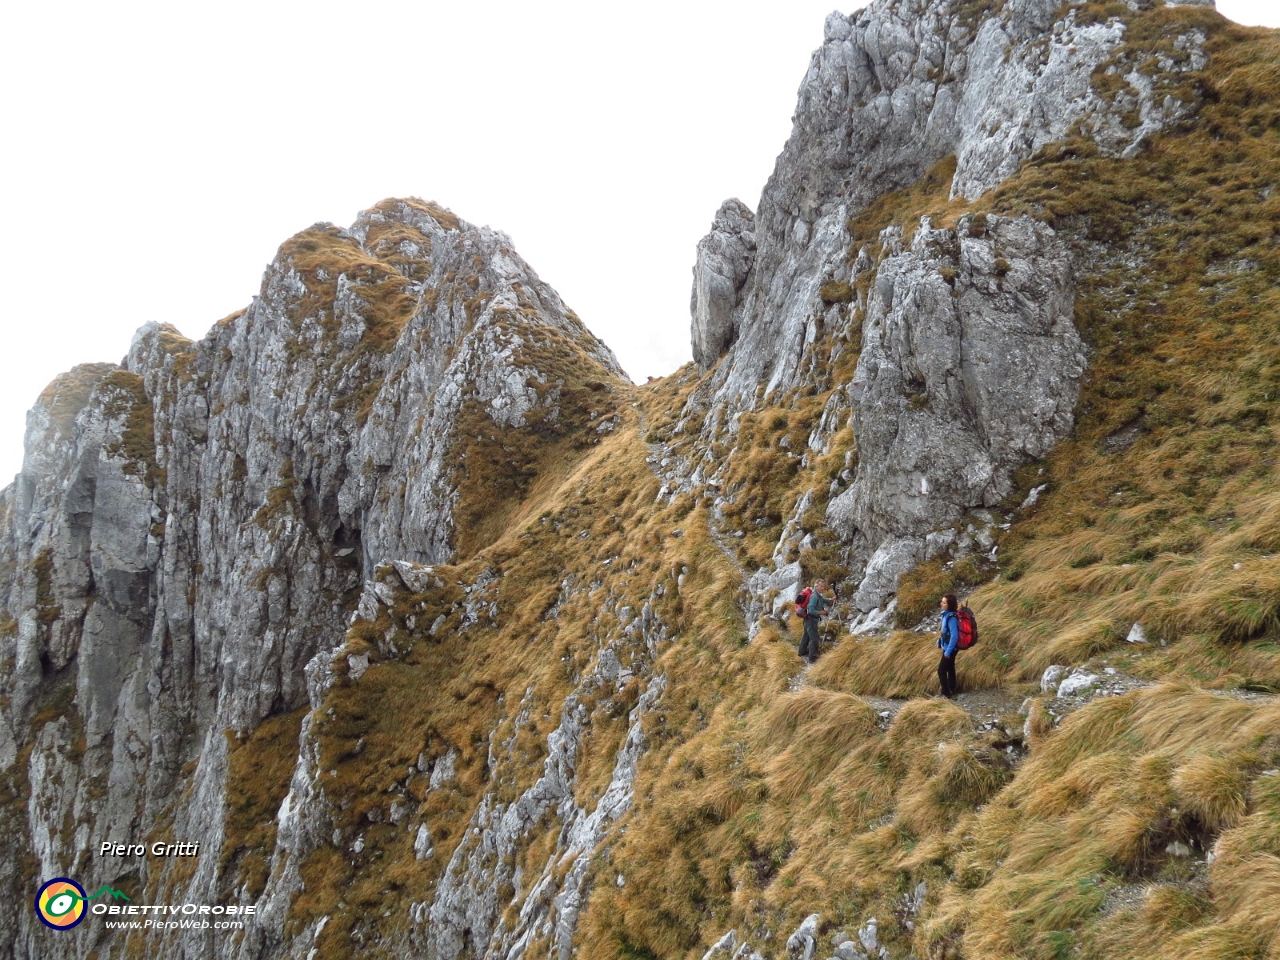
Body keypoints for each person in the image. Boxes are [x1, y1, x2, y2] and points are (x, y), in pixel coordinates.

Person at [798, 579, 834, 664]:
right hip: (811, 620)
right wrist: (822, 612)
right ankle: (812, 658)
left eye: (823, 586)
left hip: (808, 619)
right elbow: (810, 610)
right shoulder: (814, 596)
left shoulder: (816, 594)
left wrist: (830, 599)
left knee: (806, 635)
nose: (823, 588)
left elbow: (822, 599)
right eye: (821, 586)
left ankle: (801, 652)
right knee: (814, 638)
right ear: (816, 586)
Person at [937, 593, 960, 698]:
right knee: (950, 668)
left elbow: (954, 636)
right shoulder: (946, 614)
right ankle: (952, 688)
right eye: (942, 601)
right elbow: (945, 632)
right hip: (948, 647)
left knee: (941, 670)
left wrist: (948, 651)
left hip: (951, 648)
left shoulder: (952, 618)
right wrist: (939, 642)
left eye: (944, 602)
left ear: (949, 605)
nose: (941, 603)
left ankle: (946, 693)